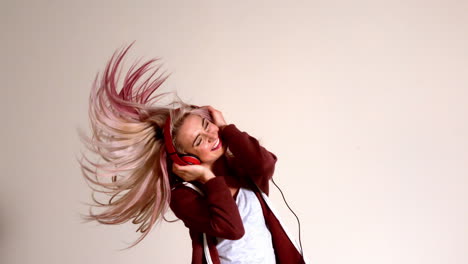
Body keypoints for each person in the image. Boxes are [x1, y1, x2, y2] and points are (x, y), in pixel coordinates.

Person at [79, 44, 306, 264]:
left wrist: (227, 128)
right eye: (199, 140)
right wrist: (207, 179)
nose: (211, 136)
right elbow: (232, 229)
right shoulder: (184, 196)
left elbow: (265, 166)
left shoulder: (242, 170)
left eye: (207, 125)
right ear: (186, 158)